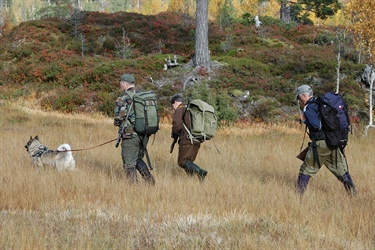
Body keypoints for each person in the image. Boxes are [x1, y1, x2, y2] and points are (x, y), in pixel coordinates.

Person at [295, 85, 356, 196]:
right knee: (341, 170)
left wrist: (304, 120)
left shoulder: (309, 107)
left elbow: (316, 125)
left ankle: (297, 197)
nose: (300, 101)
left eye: (299, 98)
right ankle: (354, 195)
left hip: (321, 144)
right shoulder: (321, 103)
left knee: (306, 169)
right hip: (333, 141)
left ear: (304, 95)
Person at [114, 73, 155, 185]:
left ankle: (133, 188)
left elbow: (118, 117)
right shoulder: (141, 95)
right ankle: (149, 181)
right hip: (144, 134)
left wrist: (119, 123)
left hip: (130, 134)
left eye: (121, 83)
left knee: (129, 162)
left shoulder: (124, 97)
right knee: (136, 158)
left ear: (124, 83)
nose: (120, 85)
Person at [170, 94, 208, 181]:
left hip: (186, 140)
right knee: (189, 162)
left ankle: (201, 172)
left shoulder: (180, 109)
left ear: (175, 102)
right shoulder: (190, 109)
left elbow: (177, 124)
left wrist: (174, 133)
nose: (173, 108)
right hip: (197, 139)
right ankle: (190, 181)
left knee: (182, 162)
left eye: (172, 105)